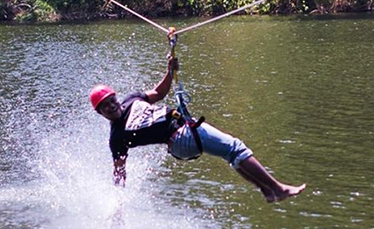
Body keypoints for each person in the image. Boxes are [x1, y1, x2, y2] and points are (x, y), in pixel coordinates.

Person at [90, 55, 306, 203]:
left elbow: (159, 92)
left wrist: (169, 71)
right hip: (180, 138)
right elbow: (119, 172)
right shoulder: (117, 137)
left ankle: (267, 190)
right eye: (105, 107)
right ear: (100, 113)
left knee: (230, 154)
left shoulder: (132, 99)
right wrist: (118, 205)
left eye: (111, 100)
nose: (111, 106)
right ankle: (278, 188)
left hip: (183, 134)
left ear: (116, 97)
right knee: (235, 147)